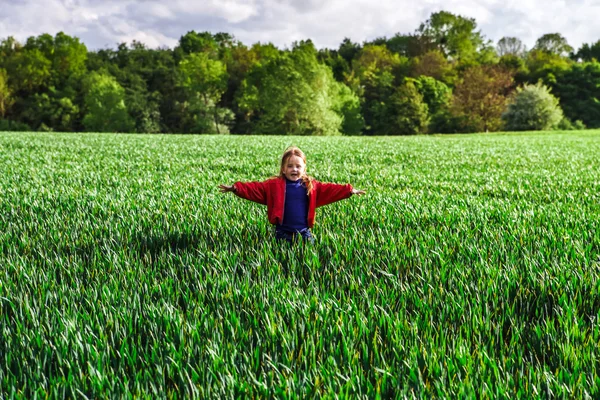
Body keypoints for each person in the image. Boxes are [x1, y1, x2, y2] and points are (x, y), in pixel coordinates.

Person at [218, 146, 366, 243]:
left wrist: (349, 190)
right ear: (283, 169)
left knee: (309, 256)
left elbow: (330, 189)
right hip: (282, 232)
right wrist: (235, 188)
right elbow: (254, 188)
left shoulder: (310, 186)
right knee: (282, 262)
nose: (294, 169)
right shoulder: (273, 186)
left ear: (304, 168)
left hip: (304, 232)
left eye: (298, 166)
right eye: (290, 166)